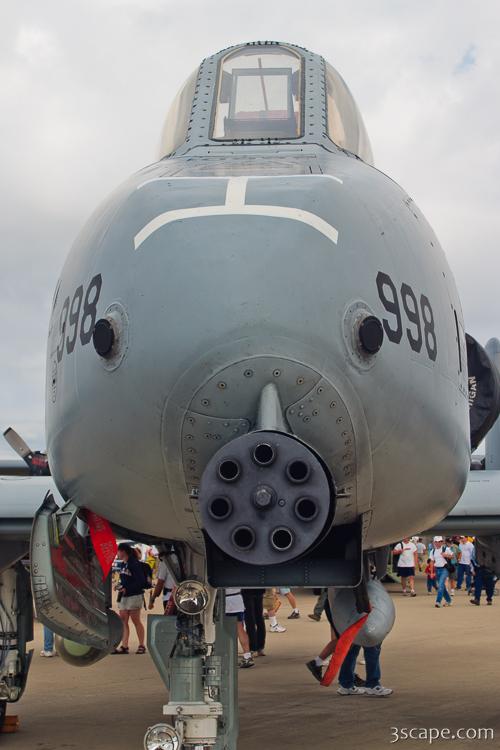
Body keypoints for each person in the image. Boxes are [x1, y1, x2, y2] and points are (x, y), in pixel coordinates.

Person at [112, 543, 147, 654]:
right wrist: (119, 586)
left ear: (123, 551)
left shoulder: (134, 564)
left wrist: (127, 588)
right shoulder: (123, 564)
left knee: (136, 620)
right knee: (123, 621)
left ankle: (141, 645)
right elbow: (125, 580)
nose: (117, 553)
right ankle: (124, 646)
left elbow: (141, 581)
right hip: (124, 597)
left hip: (134, 596)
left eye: (118, 551)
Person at [225, 589, 254, 668]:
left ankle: (229, 656)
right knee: (240, 628)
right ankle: (247, 656)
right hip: (237, 599)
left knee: (223, 629)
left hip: (224, 601)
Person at [429, 536, 453, 608]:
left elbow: (452, 556)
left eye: (439, 541)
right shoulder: (432, 551)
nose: (438, 543)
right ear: (434, 542)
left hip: (445, 569)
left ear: (442, 542)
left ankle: (438, 601)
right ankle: (449, 600)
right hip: (437, 569)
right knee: (442, 586)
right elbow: (432, 562)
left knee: (440, 585)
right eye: (436, 542)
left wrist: (446, 555)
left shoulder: (446, 549)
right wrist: (431, 572)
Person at [242, 589, 266, 657]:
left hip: (247, 591)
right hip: (259, 590)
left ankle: (253, 647)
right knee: (259, 618)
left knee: (250, 619)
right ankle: (260, 647)